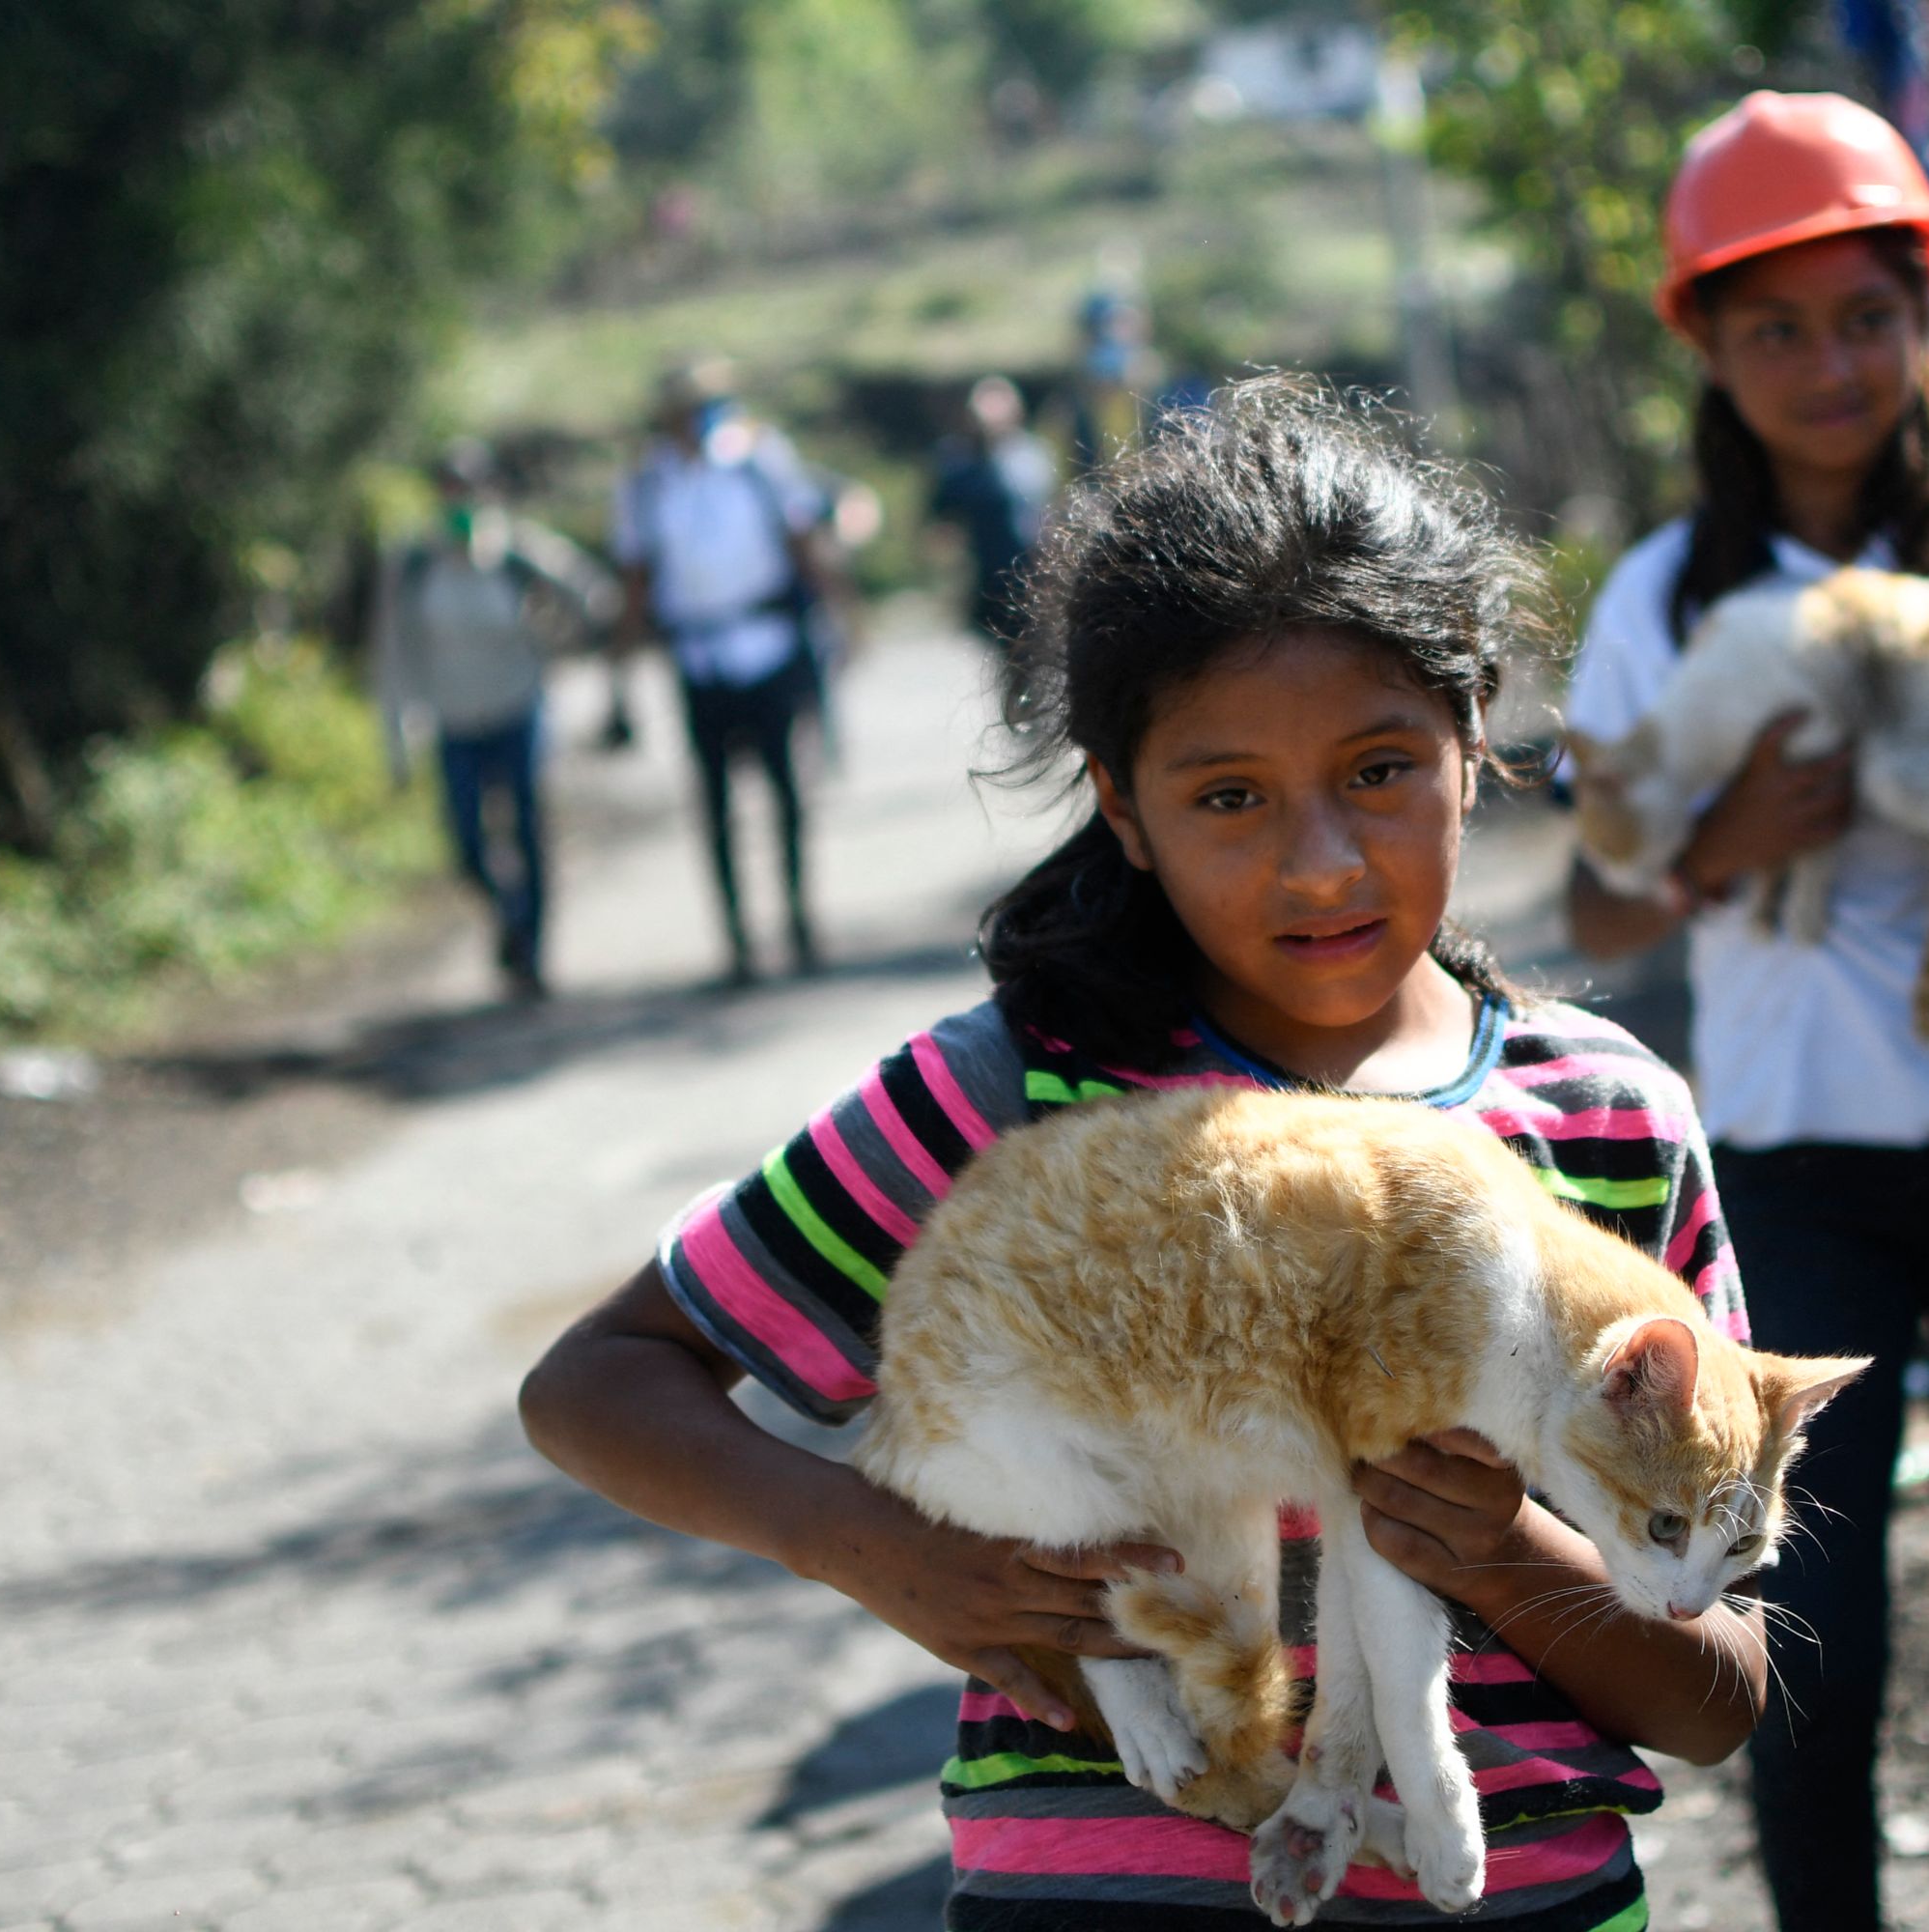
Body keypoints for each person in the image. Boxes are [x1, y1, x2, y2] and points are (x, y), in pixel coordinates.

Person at [521, 380, 1765, 1930]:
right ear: (1122, 807)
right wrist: (881, 1551)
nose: (1320, 860)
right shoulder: (1014, 1098)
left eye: (1380, 769)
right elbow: (595, 1385)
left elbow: (1720, 1699)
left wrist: (1508, 1550)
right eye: (1229, 796)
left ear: (1475, 735)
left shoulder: (1608, 1122)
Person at [1559, 93, 1929, 1932]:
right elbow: (1593, 894)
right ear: (1710, 348)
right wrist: (1717, 845)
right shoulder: (1669, 597)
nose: (1832, 363)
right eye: (1777, 328)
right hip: (1791, 1157)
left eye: (1868, 317)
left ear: (1924, 320)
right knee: (1810, 1645)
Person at [610, 356, 848, 983]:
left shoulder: (760, 462)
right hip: (698, 660)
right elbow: (636, 579)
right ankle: (738, 939)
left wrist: (841, 614)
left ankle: (799, 917)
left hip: (768, 646)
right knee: (714, 804)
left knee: (785, 793)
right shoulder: (647, 486)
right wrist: (621, 674)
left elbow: (803, 543)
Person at [375, 440, 613, 1000]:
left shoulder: (518, 553)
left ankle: (531, 953)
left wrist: (558, 634)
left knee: (528, 829)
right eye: (448, 490)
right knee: (466, 843)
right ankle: (507, 913)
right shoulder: (412, 564)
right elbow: (391, 653)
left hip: (517, 708)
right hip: (454, 720)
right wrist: (396, 736)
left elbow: (591, 595)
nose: (459, 501)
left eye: (469, 490)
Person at [924, 375, 1055, 651]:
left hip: (1033, 571)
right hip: (987, 576)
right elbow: (942, 525)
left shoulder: (1033, 455)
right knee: (1004, 656)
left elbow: (1050, 509)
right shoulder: (958, 461)